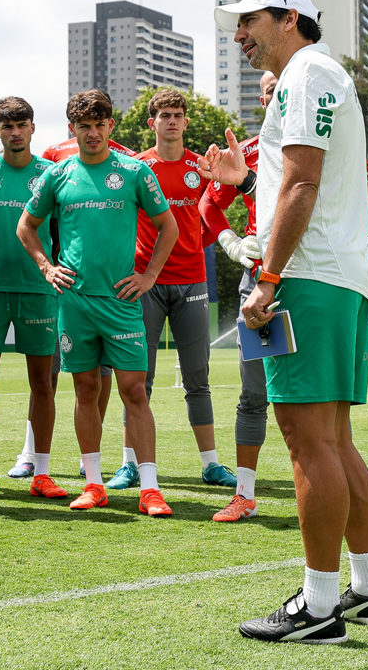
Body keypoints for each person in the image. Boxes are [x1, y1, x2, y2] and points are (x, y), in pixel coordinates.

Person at [201, 0, 368, 640]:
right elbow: (302, 180)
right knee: (335, 441)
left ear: (290, 19)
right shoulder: (314, 76)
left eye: (248, 22)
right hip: (334, 278)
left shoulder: (306, 73)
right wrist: (247, 184)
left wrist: (269, 277)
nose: (238, 37)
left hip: (306, 280)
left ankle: (318, 608)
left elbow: (308, 182)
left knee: (309, 444)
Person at [199, 70, 368, 522]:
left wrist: (343, 240)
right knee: (255, 394)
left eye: (281, 90)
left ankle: (323, 495)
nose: (275, 97)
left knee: (324, 414)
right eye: (268, 91)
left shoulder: (325, 142)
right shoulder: (250, 150)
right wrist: (233, 244)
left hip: (315, 283)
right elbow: (208, 204)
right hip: (261, 285)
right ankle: (244, 494)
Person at [18, 89, 179, 515]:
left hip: (122, 301)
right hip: (74, 303)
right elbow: (26, 227)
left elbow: (169, 227)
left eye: (99, 124)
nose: (92, 133)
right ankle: (92, 484)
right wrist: (46, 267)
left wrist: (148, 276)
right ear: (72, 129)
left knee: (134, 392)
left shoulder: (134, 172)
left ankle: (149, 488)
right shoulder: (57, 175)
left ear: (111, 126)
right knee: (85, 389)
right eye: (83, 126)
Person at [99, 88, 233, 491]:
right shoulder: (134, 167)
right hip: (144, 284)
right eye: (164, 115)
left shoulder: (201, 167)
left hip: (193, 281)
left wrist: (197, 243)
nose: (171, 121)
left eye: (177, 115)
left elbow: (214, 211)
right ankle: (128, 465)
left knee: (198, 377)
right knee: (138, 379)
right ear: (151, 122)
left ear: (185, 122)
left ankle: (210, 465)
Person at [0, 97, 67, 500]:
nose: (15, 131)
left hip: (40, 289)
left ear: (33, 128)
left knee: (43, 383)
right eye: (7, 125)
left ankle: (41, 472)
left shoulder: (52, 174)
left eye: (22, 124)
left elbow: (61, 230)